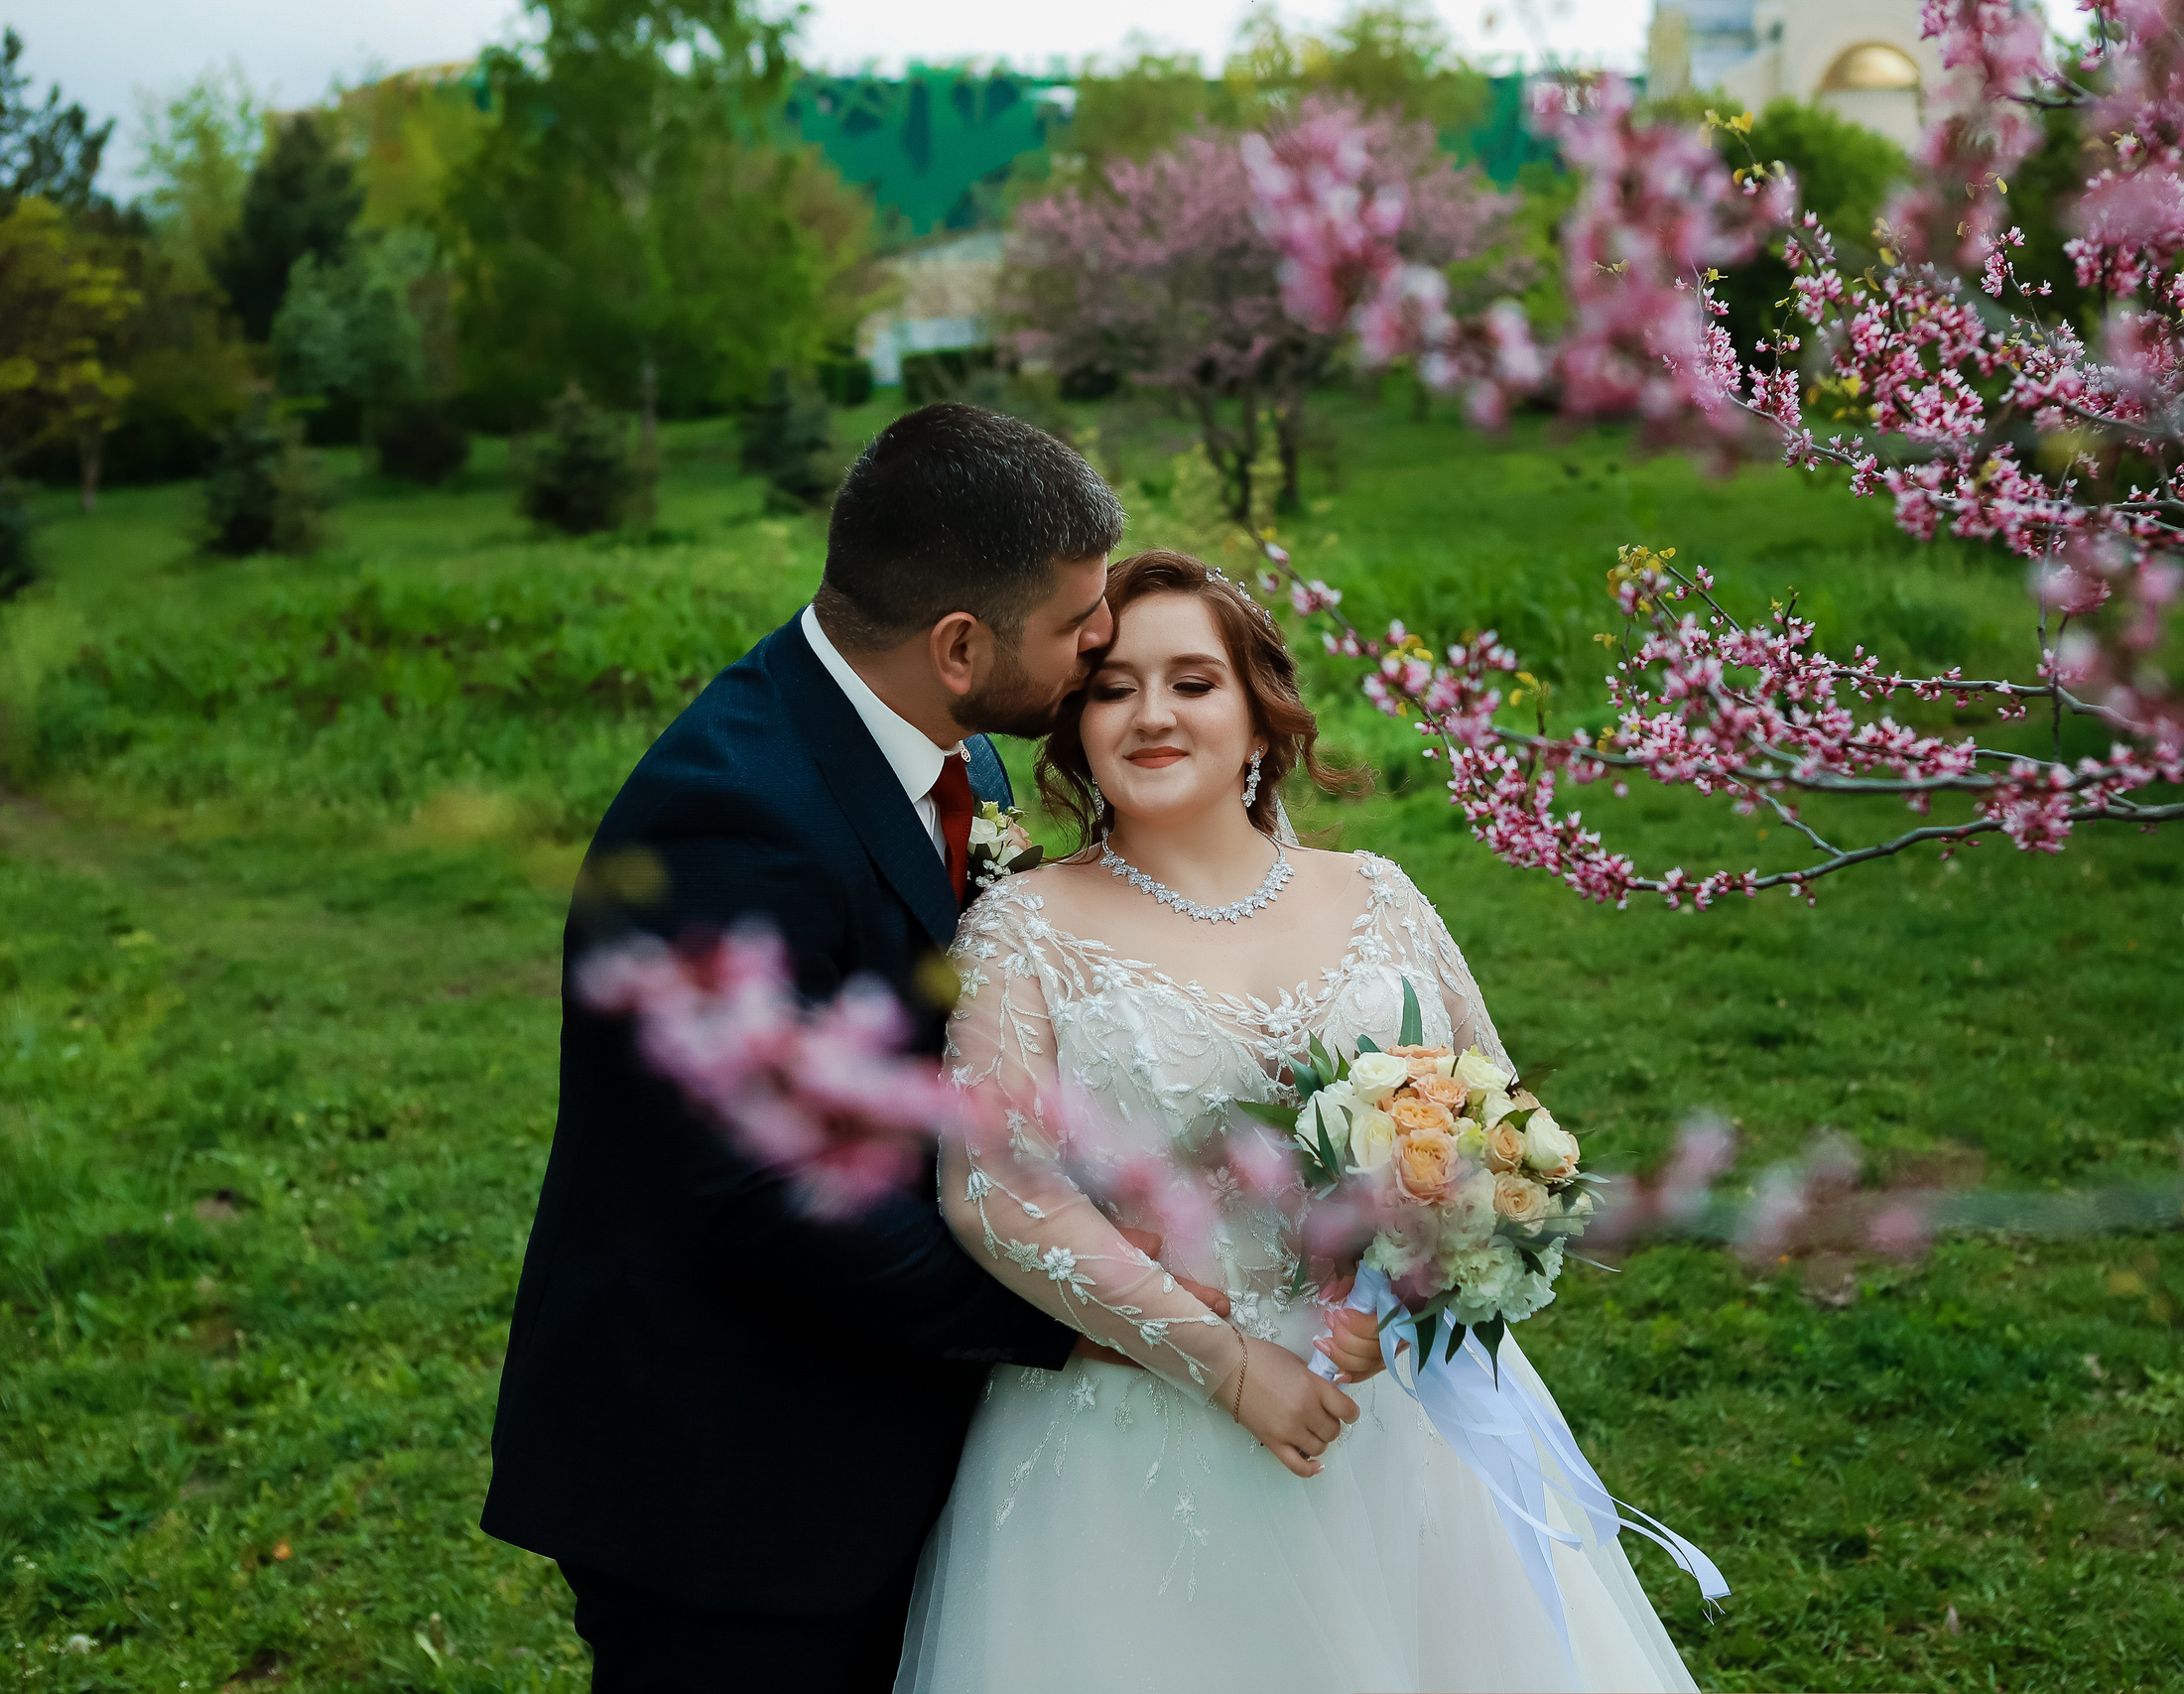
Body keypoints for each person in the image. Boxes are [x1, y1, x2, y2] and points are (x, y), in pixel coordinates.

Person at [480, 407, 1384, 1692]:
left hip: (884, 1419)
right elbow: (768, 1195)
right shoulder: (729, 821)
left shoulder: (949, 750)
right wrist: (1096, 1310)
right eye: (1077, 621)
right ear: (959, 645)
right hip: (732, 1488)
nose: (1101, 635)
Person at [901, 549, 1703, 1693]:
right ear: (1075, 727)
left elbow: (1501, 1123)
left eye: (1192, 682)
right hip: (1145, 1426)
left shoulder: (1379, 894)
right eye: (1114, 689)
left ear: (1259, 716)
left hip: (1399, 1414)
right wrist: (1228, 1365)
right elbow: (995, 1188)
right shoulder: (1022, 927)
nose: (1151, 714)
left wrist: (1410, 1291)